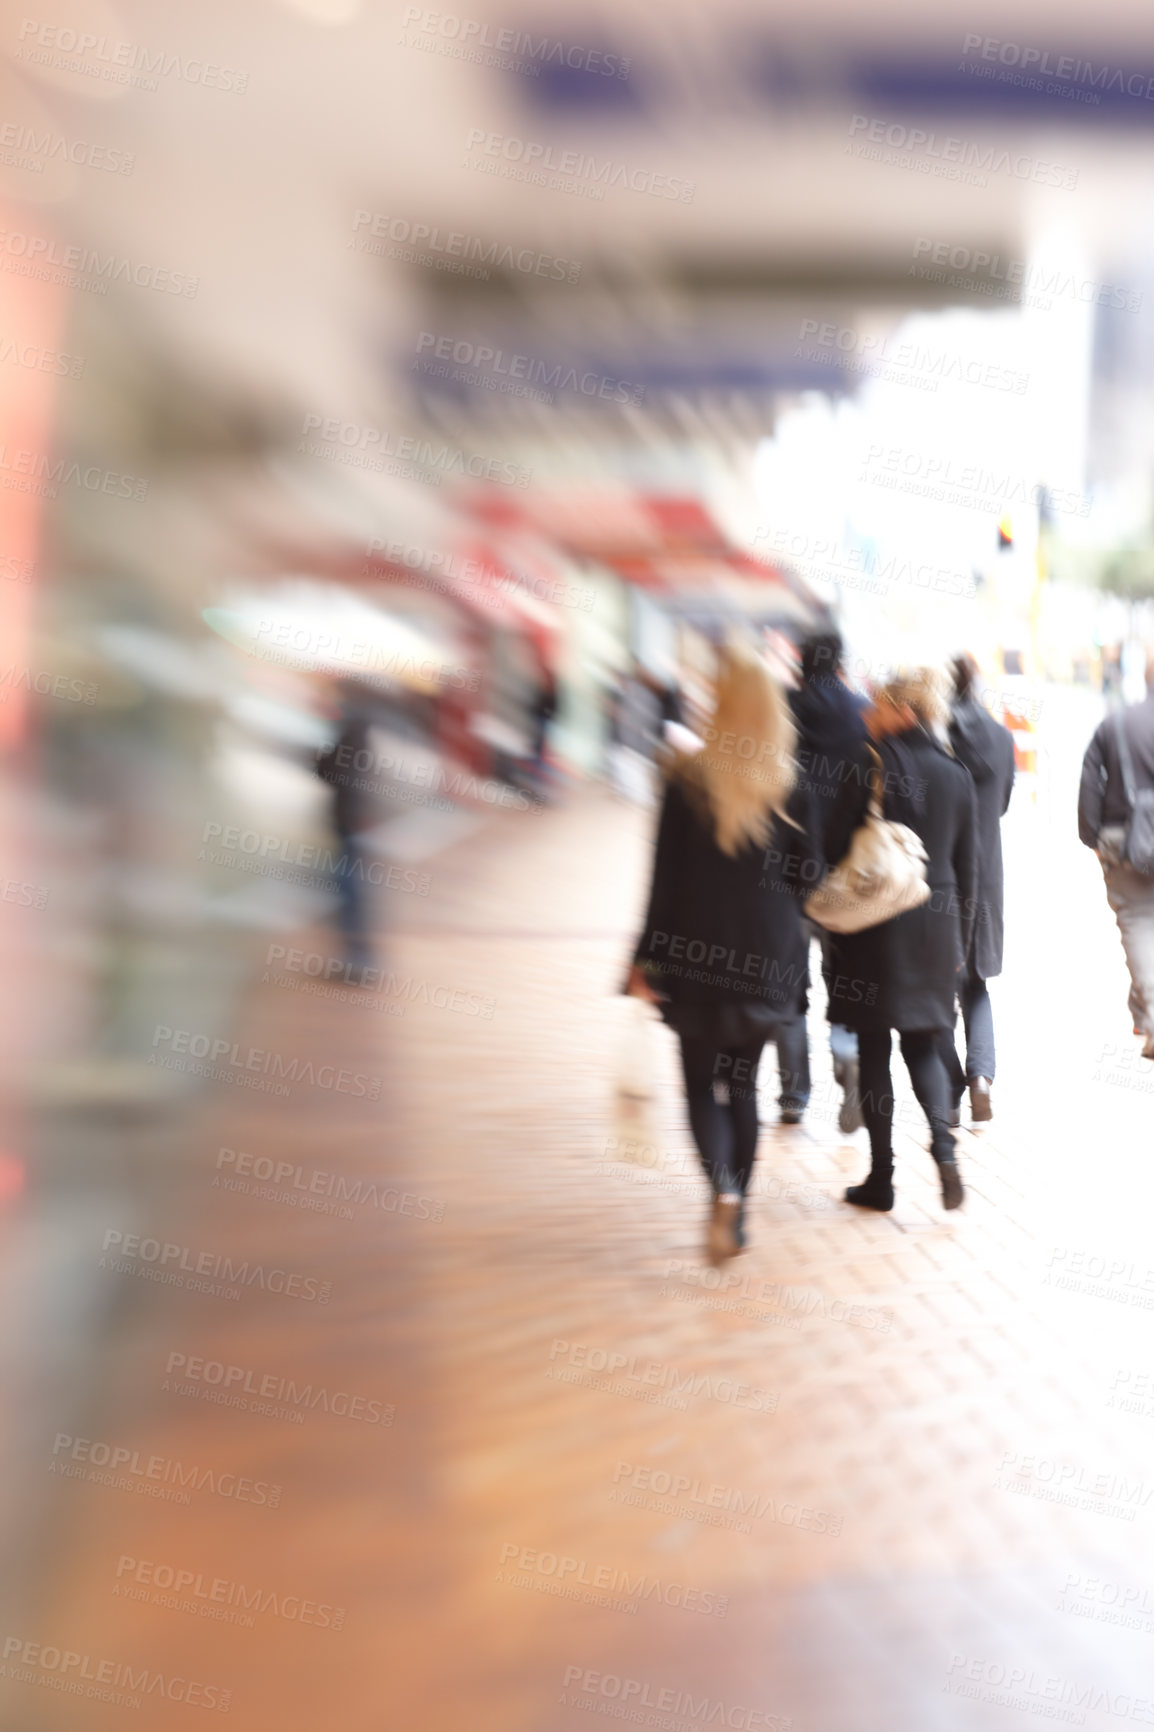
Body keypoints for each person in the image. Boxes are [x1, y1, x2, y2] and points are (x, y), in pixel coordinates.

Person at [625, 641, 821, 1264]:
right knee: (743, 1089)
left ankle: (723, 1191)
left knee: (697, 1090)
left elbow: (662, 881)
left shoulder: (685, 781)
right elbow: (810, 883)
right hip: (766, 965)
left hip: (693, 962)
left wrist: (643, 960)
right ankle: (737, 1212)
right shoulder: (794, 788)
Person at [822, 668, 977, 1212]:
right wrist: (962, 941)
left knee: (872, 1048)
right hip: (936, 932)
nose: (869, 712)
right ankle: (945, 1153)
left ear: (905, 711)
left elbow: (834, 842)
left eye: (879, 704)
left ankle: (881, 1179)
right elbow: (968, 868)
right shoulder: (957, 775)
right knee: (925, 1048)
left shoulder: (869, 764)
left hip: (874, 926)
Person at [784, 627, 869, 1132]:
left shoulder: (783, 706)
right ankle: (847, 1055)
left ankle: (794, 1091)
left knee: (790, 979)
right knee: (845, 977)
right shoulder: (861, 711)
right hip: (847, 868)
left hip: (790, 870)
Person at [938, 654, 1015, 1121]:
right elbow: (1002, 802)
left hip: (943, 870)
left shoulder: (939, 734)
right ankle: (980, 1076)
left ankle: (945, 1087)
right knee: (976, 983)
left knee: (937, 984)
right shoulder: (1003, 738)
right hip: (986, 871)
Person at [1078, 650, 1154, 1060]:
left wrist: (1092, 838)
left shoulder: (1114, 724)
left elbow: (1090, 780)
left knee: (1140, 925)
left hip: (1123, 842)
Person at [315, 684, 378, 980]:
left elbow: (327, 769)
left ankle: (358, 958)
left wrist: (319, 755)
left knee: (350, 888)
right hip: (353, 816)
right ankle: (358, 955)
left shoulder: (349, 730)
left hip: (348, 817)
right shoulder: (362, 729)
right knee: (351, 887)